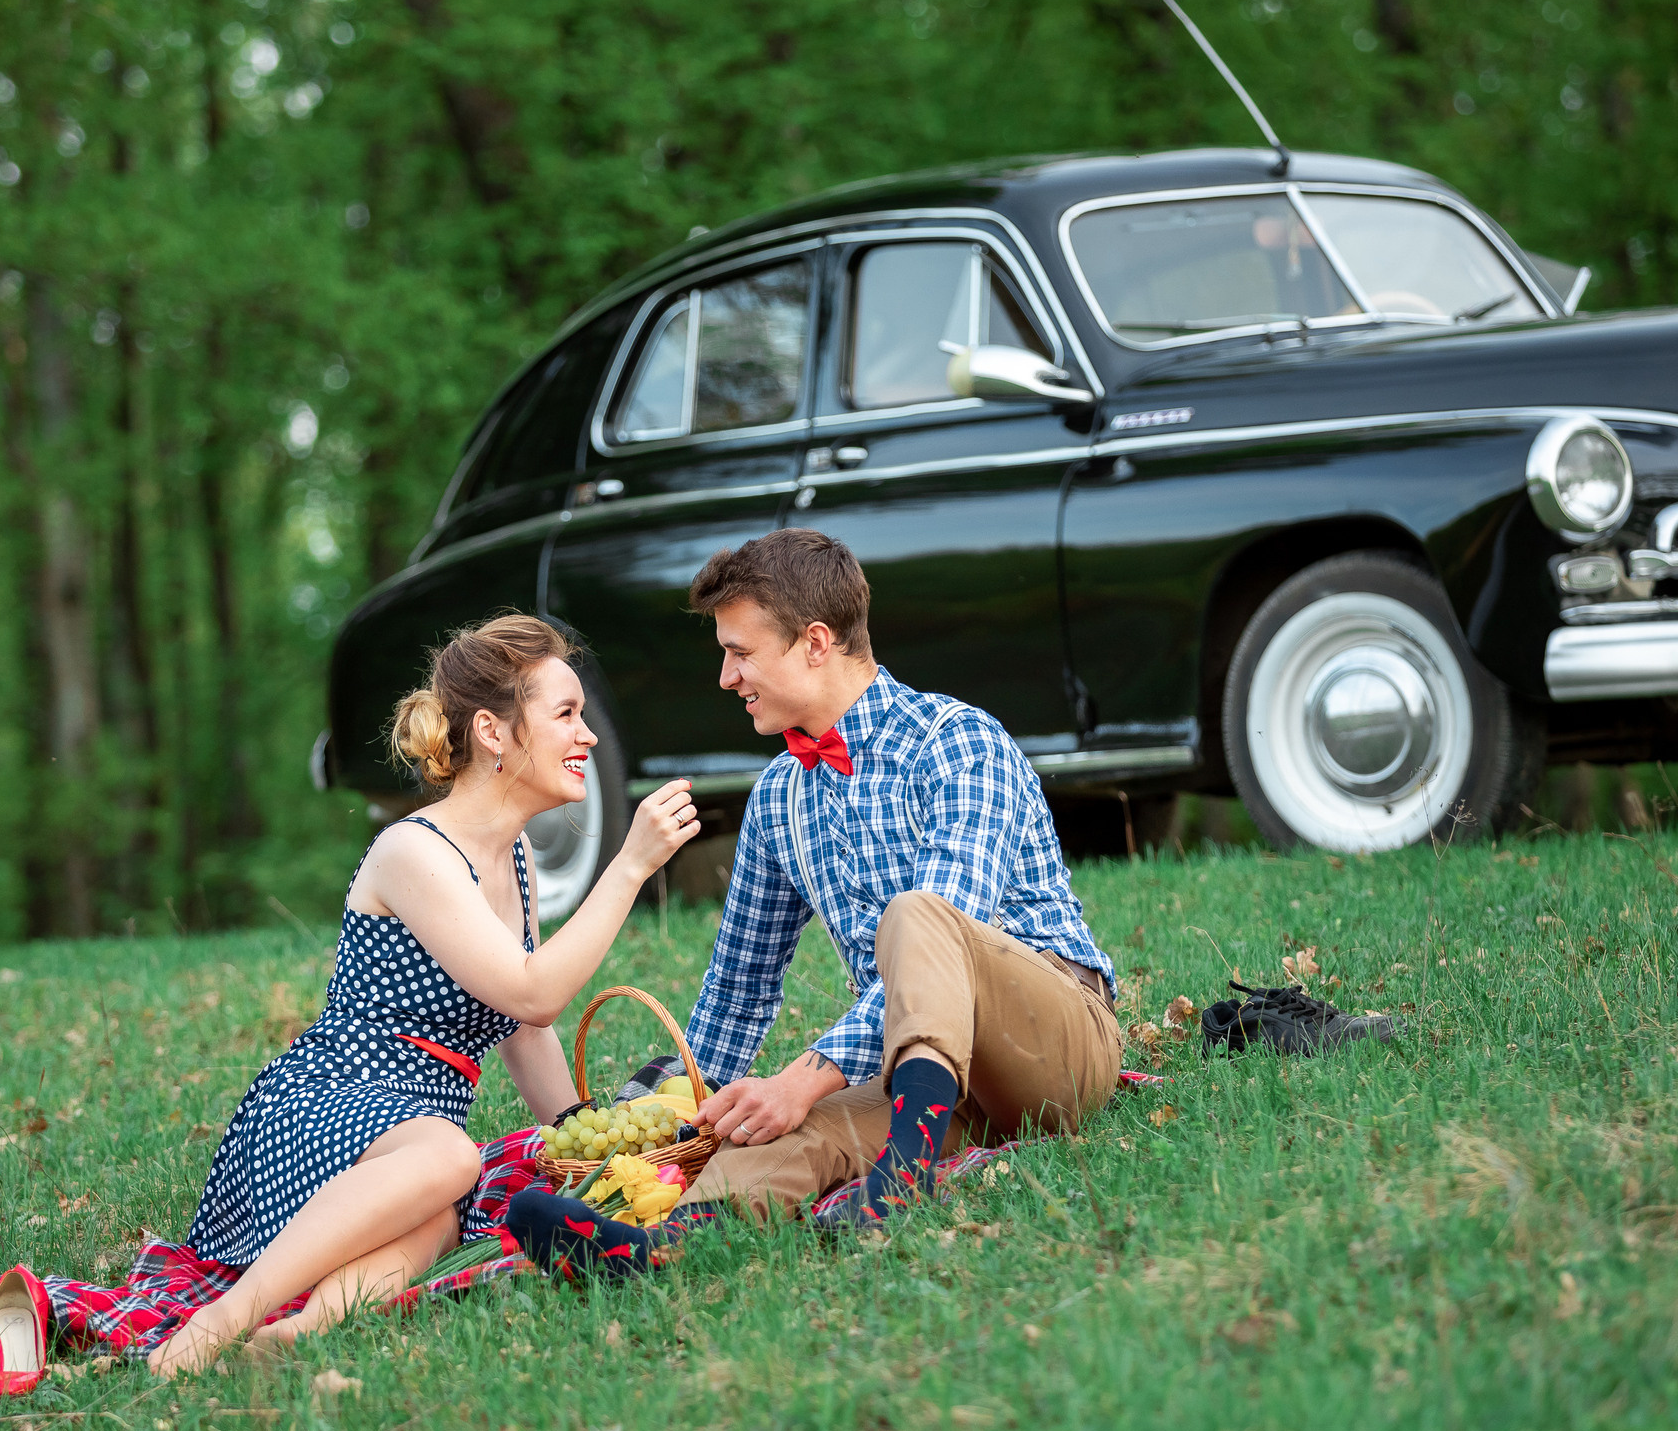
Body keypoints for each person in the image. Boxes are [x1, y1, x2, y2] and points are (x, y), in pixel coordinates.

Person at [90, 614, 699, 1379]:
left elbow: (520, 1028)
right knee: (452, 1159)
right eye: (567, 714)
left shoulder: (513, 854)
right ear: (493, 731)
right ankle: (219, 1321)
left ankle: (298, 1333)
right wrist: (630, 864)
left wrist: (579, 1137)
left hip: (408, 1147)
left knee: (443, 1214)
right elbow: (534, 995)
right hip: (317, 1112)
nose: (589, 737)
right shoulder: (415, 851)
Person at [504, 530, 1120, 1275]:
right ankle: (655, 1243)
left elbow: (955, 923)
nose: (727, 677)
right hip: (922, 1073)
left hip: (1055, 1046)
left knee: (916, 915)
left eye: (741, 652)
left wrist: (806, 1074)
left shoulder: (957, 742)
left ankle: (904, 1174)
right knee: (783, 1129)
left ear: (816, 642)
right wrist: (679, 1107)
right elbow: (738, 992)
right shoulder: (778, 798)